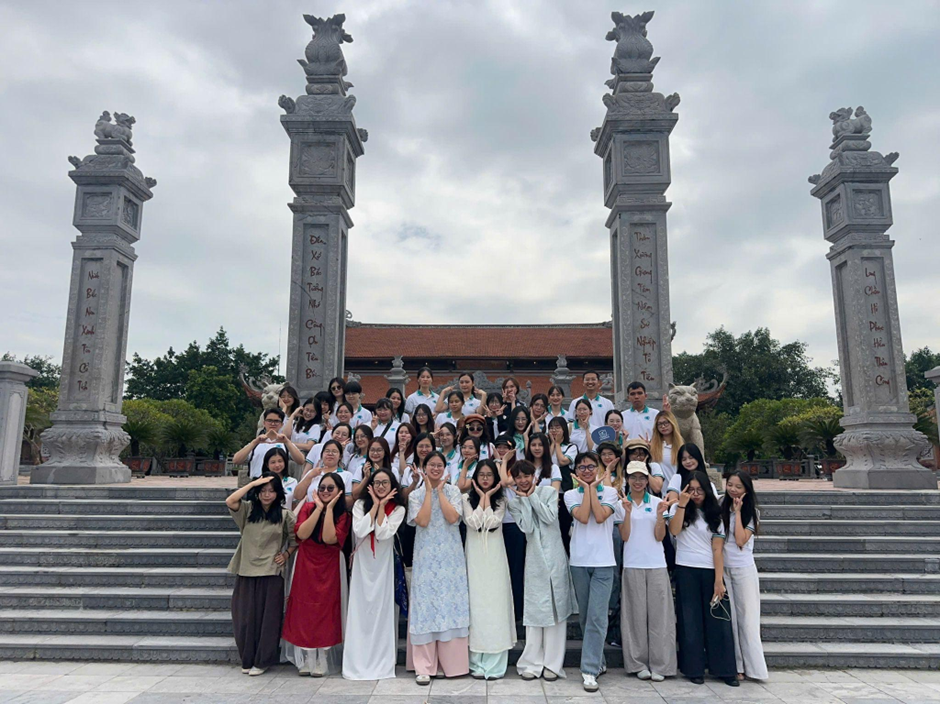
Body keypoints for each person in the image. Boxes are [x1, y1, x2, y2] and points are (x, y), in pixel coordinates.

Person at [508, 461, 575, 681]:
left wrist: (532, 497)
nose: (523, 481)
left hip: (555, 555)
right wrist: (525, 500)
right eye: (518, 477)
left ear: (534, 477)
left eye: (526, 476)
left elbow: (549, 517)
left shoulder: (549, 492)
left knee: (556, 611)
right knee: (535, 611)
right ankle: (532, 663)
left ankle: (553, 665)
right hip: (535, 559)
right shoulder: (514, 502)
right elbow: (527, 527)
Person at [669, 471, 737, 687]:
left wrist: (719, 580)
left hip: (709, 569)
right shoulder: (677, 508)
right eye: (692, 490)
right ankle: (694, 669)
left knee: (718, 621)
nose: (696, 494)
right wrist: (682, 504)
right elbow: (674, 530)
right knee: (690, 621)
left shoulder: (716, 514)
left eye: (700, 490)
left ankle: (725, 670)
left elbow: (718, 549)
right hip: (685, 569)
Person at [225, 473, 297, 676]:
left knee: (268, 618)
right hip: (246, 569)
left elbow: (295, 540)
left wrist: (286, 554)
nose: (267, 495)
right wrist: (254, 484)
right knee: (244, 617)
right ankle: (247, 658)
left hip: (271, 571)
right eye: (263, 491)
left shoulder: (285, 515)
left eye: (271, 491)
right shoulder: (247, 510)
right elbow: (230, 501)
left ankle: (263, 660)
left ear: (278, 494)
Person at [408, 451, 470, 684]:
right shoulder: (415, 495)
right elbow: (423, 521)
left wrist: (440, 492)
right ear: (424, 467)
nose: (435, 469)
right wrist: (427, 491)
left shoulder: (453, 492)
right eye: (431, 465)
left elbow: (452, 518)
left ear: (445, 468)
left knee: (448, 603)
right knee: (425, 604)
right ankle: (424, 666)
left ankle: (449, 663)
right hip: (425, 556)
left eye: (439, 465)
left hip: (450, 556)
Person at [564, 451, 623, 692]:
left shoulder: (610, 492)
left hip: (604, 562)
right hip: (579, 561)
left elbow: (599, 517)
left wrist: (592, 489)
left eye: (591, 467)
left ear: (598, 469)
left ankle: (589, 670)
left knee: (598, 616)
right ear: (575, 472)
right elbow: (581, 516)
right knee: (586, 616)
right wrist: (587, 489)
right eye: (582, 467)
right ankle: (598, 660)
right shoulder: (570, 494)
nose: (586, 471)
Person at [283, 472, 351, 676]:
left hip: (330, 564)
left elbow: (330, 538)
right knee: (303, 608)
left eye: (330, 488)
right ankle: (307, 657)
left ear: (339, 491)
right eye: (322, 488)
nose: (325, 492)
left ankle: (323, 658)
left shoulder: (343, 515)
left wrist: (328, 510)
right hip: (306, 562)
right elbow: (302, 533)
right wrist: (318, 508)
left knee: (327, 609)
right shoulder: (308, 507)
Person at [343, 468, 407, 680]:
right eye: (377, 482)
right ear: (370, 485)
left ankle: (381, 663)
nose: (380, 486)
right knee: (360, 608)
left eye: (385, 483)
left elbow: (382, 532)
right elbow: (360, 530)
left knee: (382, 608)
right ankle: (357, 661)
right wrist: (375, 506)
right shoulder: (360, 505)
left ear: (392, 486)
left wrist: (382, 507)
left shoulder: (398, 509)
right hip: (363, 564)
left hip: (383, 564)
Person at [618, 461, 676, 682]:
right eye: (633, 477)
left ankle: (661, 665)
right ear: (627, 479)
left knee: (660, 617)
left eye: (642, 477)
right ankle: (637, 663)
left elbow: (660, 536)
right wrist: (627, 513)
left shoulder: (658, 502)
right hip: (632, 564)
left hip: (656, 564)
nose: (638, 481)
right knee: (635, 617)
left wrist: (660, 516)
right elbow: (624, 536)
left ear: (647, 479)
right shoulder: (622, 503)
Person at [462, 459, 516, 679]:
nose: (485, 478)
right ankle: (475, 662)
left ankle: (495, 663)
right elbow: (474, 523)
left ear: (495, 478)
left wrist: (488, 498)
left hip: (494, 557)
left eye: (489, 475)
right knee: (475, 603)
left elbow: (492, 522)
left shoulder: (502, 500)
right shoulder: (465, 499)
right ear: (475, 477)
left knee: (495, 603)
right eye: (481, 474)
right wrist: (483, 498)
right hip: (474, 556)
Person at [720, 471, 768, 682]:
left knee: (747, 620)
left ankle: (754, 669)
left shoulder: (752, 513)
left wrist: (738, 512)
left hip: (744, 570)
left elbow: (740, 540)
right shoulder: (721, 507)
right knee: (730, 620)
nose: (733, 489)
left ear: (747, 490)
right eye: (730, 485)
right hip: (723, 569)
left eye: (738, 487)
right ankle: (736, 666)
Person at [494, 435, 525, 620]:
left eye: (505, 447)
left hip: (514, 523)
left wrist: (503, 461)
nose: (502, 450)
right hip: (496, 523)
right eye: (499, 447)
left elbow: (506, 482)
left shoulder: (519, 468)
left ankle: (517, 611)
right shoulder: (491, 467)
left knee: (515, 568)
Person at [232, 408, 307, 486]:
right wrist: (254, 442)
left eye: (276, 421)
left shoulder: (285, 443)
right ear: (264, 423)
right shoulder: (256, 443)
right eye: (269, 420)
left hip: (279, 484)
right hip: (257, 483)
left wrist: (287, 442)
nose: (273, 424)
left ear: (281, 424)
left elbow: (301, 461)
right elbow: (236, 460)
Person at [295, 439, 355, 510]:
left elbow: (349, 501)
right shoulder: (313, 472)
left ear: (340, 456)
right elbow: (297, 495)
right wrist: (310, 476)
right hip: (310, 512)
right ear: (321, 455)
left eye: (334, 451)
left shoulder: (347, 475)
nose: (330, 454)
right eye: (327, 451)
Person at [547, 417, 577, 553]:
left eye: (558, 427)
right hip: (549, 491)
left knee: (564, 527)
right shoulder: (546, 447)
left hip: (564, 492)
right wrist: (552, 444)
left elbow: (563, 461)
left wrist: (558, 444)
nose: (554, 430)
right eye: (551, 428)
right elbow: (546, 460)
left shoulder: (571, 447)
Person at [649, 411, 684, 496]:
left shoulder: (681, 447)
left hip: (677, 492)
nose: (663, 426)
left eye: (666, 423)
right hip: (658, 494)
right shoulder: (652, 447)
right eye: (659, 424)